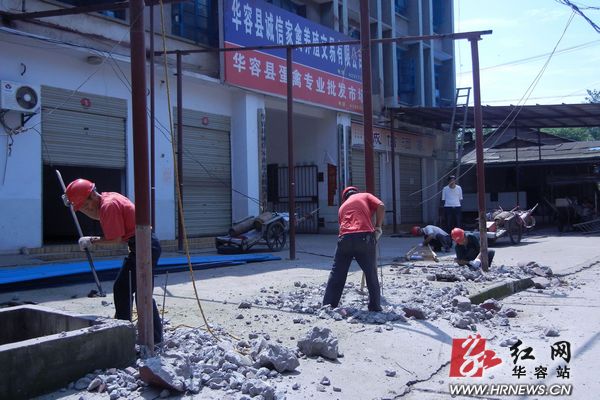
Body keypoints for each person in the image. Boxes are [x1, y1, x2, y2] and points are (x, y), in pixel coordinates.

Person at [65, 178, 163, 344]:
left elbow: (115, 239)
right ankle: (136, 332)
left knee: (134, 291)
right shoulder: (108, 199)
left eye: (85, 206)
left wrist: (92, 240)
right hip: (143, 244)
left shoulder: (108, 206)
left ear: (92, 196)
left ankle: (134, 335)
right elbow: (100, 217)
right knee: (129, 289)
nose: (86, 211)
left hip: (144, 246)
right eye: (82, 209)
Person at [323, 186, 384, 312]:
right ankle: (374, 306)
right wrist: (378, 226)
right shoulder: (365, 195)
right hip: (364, 238)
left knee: (337, 273)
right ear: (356, 192)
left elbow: (343, 227)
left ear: (344, 198)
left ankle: (329, 305)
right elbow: (381, 206)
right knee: (371, 273)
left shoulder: (342, 207)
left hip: (344, 239)